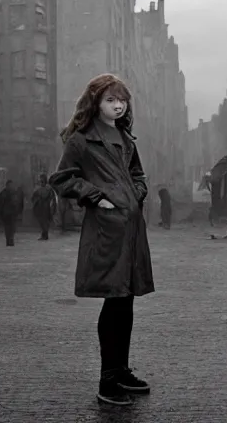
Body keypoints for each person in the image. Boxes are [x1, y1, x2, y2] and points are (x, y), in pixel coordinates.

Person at [49, 73, 153, 406]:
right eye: (111, 100)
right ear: (97, 102)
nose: (118, 105)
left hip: (132, 231)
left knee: (127, 301)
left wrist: (136, 194)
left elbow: (138, 174)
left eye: (122, 100)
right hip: (107, 230)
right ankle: (107, 380)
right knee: (113, 302)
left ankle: (121, 370)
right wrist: (97, 198)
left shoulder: (126, 138)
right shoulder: (82, 140)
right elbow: (62, 179)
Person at [0, 180, 21, 246]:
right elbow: (0, 204)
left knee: (11, 228)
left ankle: (10, 240)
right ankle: (9, 240)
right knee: (9, 228)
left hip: (10, 213)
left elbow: (17, 203)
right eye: (10, 185)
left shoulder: (11, 193)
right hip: (7, 213)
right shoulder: (6, 193)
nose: (11, 186)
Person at [32, 174, 56, 240]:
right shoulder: (39, 189)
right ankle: (44, 235)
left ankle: (45, 235)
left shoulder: (48, 189)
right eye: (40, 180)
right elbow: (34, 197)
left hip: (46, 207)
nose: (41, 182)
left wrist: (52, 207)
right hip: (40, 207)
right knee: (42, 222)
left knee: (45, 222)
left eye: (42, 180)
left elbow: (52, 198)